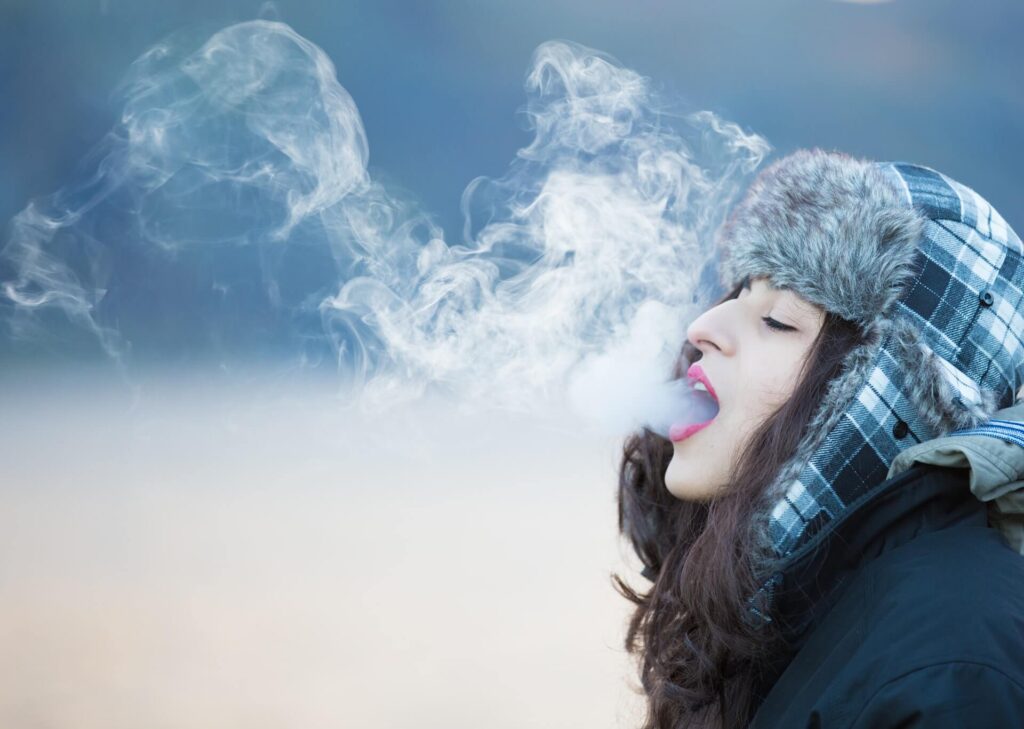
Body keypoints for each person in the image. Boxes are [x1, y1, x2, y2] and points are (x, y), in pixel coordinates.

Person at [614, 148, 1024, 729]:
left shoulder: (952, 664)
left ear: (886, 398)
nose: (701, 328)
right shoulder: (789, 613)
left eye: (777, 319)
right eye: (738, 294)